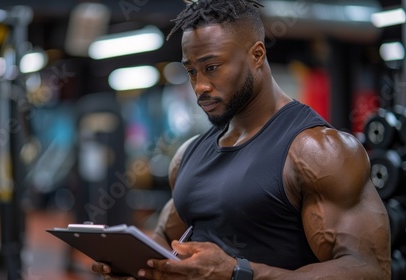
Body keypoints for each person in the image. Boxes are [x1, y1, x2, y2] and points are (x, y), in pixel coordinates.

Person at [92, 0, 391, 279]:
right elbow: (165, 240)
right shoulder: (188, 155)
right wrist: (129, 261)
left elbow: (369, 269)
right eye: (192, 71)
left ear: (257, 55)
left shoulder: (318, 150)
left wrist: (239, 272)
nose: (200, 86)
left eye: (211, 67)